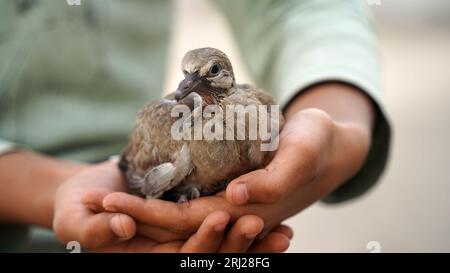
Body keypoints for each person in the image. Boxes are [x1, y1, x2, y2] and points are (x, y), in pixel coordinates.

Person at [0, 0, 390, 252]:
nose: (192, 83)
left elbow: (298, 7)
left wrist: (339, 127)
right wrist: (46, 189)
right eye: (190, 76)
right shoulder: (171, 130)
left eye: (210, 73)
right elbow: (136, 173)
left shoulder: (258, 115)